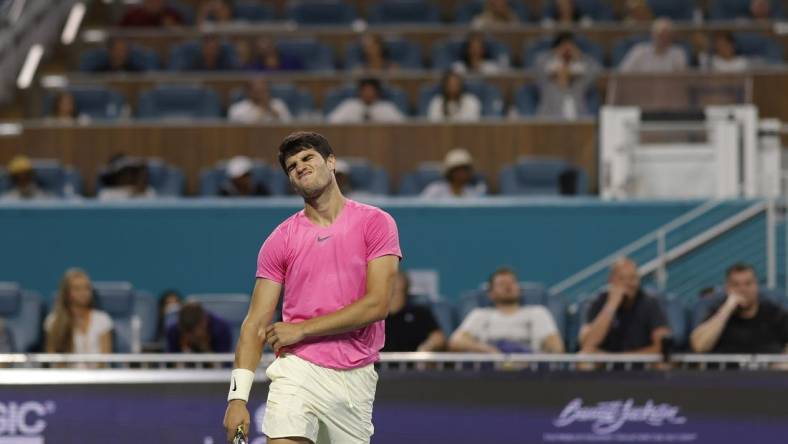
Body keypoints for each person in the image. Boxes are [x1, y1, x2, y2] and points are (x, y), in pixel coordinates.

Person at [222, 131, 401, 443]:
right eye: (291, 166)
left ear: (330, 162)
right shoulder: (280, 240)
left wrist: (303, 329)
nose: (299, 167)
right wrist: (237, 399)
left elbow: (377, 304)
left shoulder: (376, 222)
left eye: (307, 158)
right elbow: (255, 324)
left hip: (355, 377)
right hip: (297, 369)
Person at [449, 267, 564, 353]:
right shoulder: (479, 315)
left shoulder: (538, 313)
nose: (508, 287)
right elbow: (456, 342)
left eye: (512, 283)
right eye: (502, 284)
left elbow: (557, 348)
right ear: (491, 294)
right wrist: (488, 350)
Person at [690, 263, 788, 354]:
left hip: (768, 372)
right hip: (725, 372)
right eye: (735, 285)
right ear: (727, 288)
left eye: (748, 284)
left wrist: (782, 363)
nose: (742, 290)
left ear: (756, 286)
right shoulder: (717, 312)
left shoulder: (774, 313)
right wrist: (727, 309)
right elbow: (698, 346)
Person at [579, 258, 671, 354]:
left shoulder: (650, 303)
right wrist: (612, 304)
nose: (628, 284)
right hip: (606, 363)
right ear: (611, 280)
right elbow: (588, 344)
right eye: (622, 278)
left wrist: (623, 359)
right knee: (584, 358)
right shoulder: (600, 302)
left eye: (633, 278)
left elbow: (662, 347)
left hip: (641, 362)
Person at [45, 269, 113, 367]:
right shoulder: (53, 321)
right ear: (66, 293)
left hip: (98, 378)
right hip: (66, 379)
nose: (83, 293)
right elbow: (53, 359)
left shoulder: (102, 319)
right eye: (77, 289)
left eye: (87, 288)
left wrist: (94, 379)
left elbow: (105, 360)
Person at [534, 32, 601, 119]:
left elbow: (596, 69)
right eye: (561, 66)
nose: (564, 69)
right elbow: (538, 65)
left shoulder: (579, 84)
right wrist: (556, 52)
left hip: (578, 126)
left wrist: (579, 56)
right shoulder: (546, 84)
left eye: (567, 66)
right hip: (549, 125)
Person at [382, 271, 446, 352]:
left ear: (406, 286)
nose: (393, 284)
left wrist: (429, 345)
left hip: (415, 363)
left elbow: (439, 338)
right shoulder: (374, 316)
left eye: (397, 279)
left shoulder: (420, 313)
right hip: (379, 363)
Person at [619, 18, 687, 73]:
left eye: (667, 36)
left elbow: (681, 80)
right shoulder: (639, 51)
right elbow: (623, 73)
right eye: (661, 35)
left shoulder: (678, 53)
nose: (664, 39)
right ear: (653, 35)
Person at [327, 78, 405, 123]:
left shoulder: (387, 107)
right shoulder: (349, 105)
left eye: (371, 91)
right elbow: (332, 122)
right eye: (365, 90)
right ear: (360, 92)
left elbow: (402, 125)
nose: (368, 94)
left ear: (377, 92)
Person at [166, 301, 232, 353]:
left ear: (204, 323)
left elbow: (224, 366)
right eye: (186, 333)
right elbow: (171, 365)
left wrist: (205, 348)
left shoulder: (221, 329)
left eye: (193, 334)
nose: (190, 339)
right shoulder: (173, 331)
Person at [420, 148, 487, 198]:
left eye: (465, 169)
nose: (462, 173)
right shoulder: (435, 190)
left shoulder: (472, 193)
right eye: (458, 170)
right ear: (450, 172)